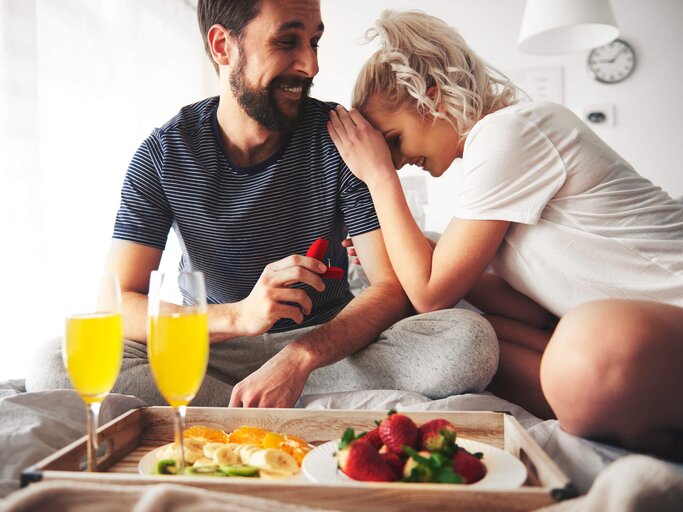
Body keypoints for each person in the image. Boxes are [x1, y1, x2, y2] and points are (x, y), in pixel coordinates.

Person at [25, 0, 498, 408]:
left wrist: (300, 358)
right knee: (56, 362)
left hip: (324, 350)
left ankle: (249, 402)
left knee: (466, 341)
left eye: (314, 41)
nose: (310, 65)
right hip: (217, 349)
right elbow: (115, 301)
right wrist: (240, 316)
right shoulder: (165, 154)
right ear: (223, 46)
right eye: (287, 42)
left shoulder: (341, 139)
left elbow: (390, 287)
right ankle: (253, 403)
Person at [327, 9, 683, 459]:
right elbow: (531, 312)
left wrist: (378, 177)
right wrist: (418, 250)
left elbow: (430, 292)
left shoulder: (509, 132)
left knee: (585, 343)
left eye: (393, 140)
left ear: (431, 99)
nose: (396, 160)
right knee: (469, 336)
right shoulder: (494, 157)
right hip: (630, 332)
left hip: (668, 312)